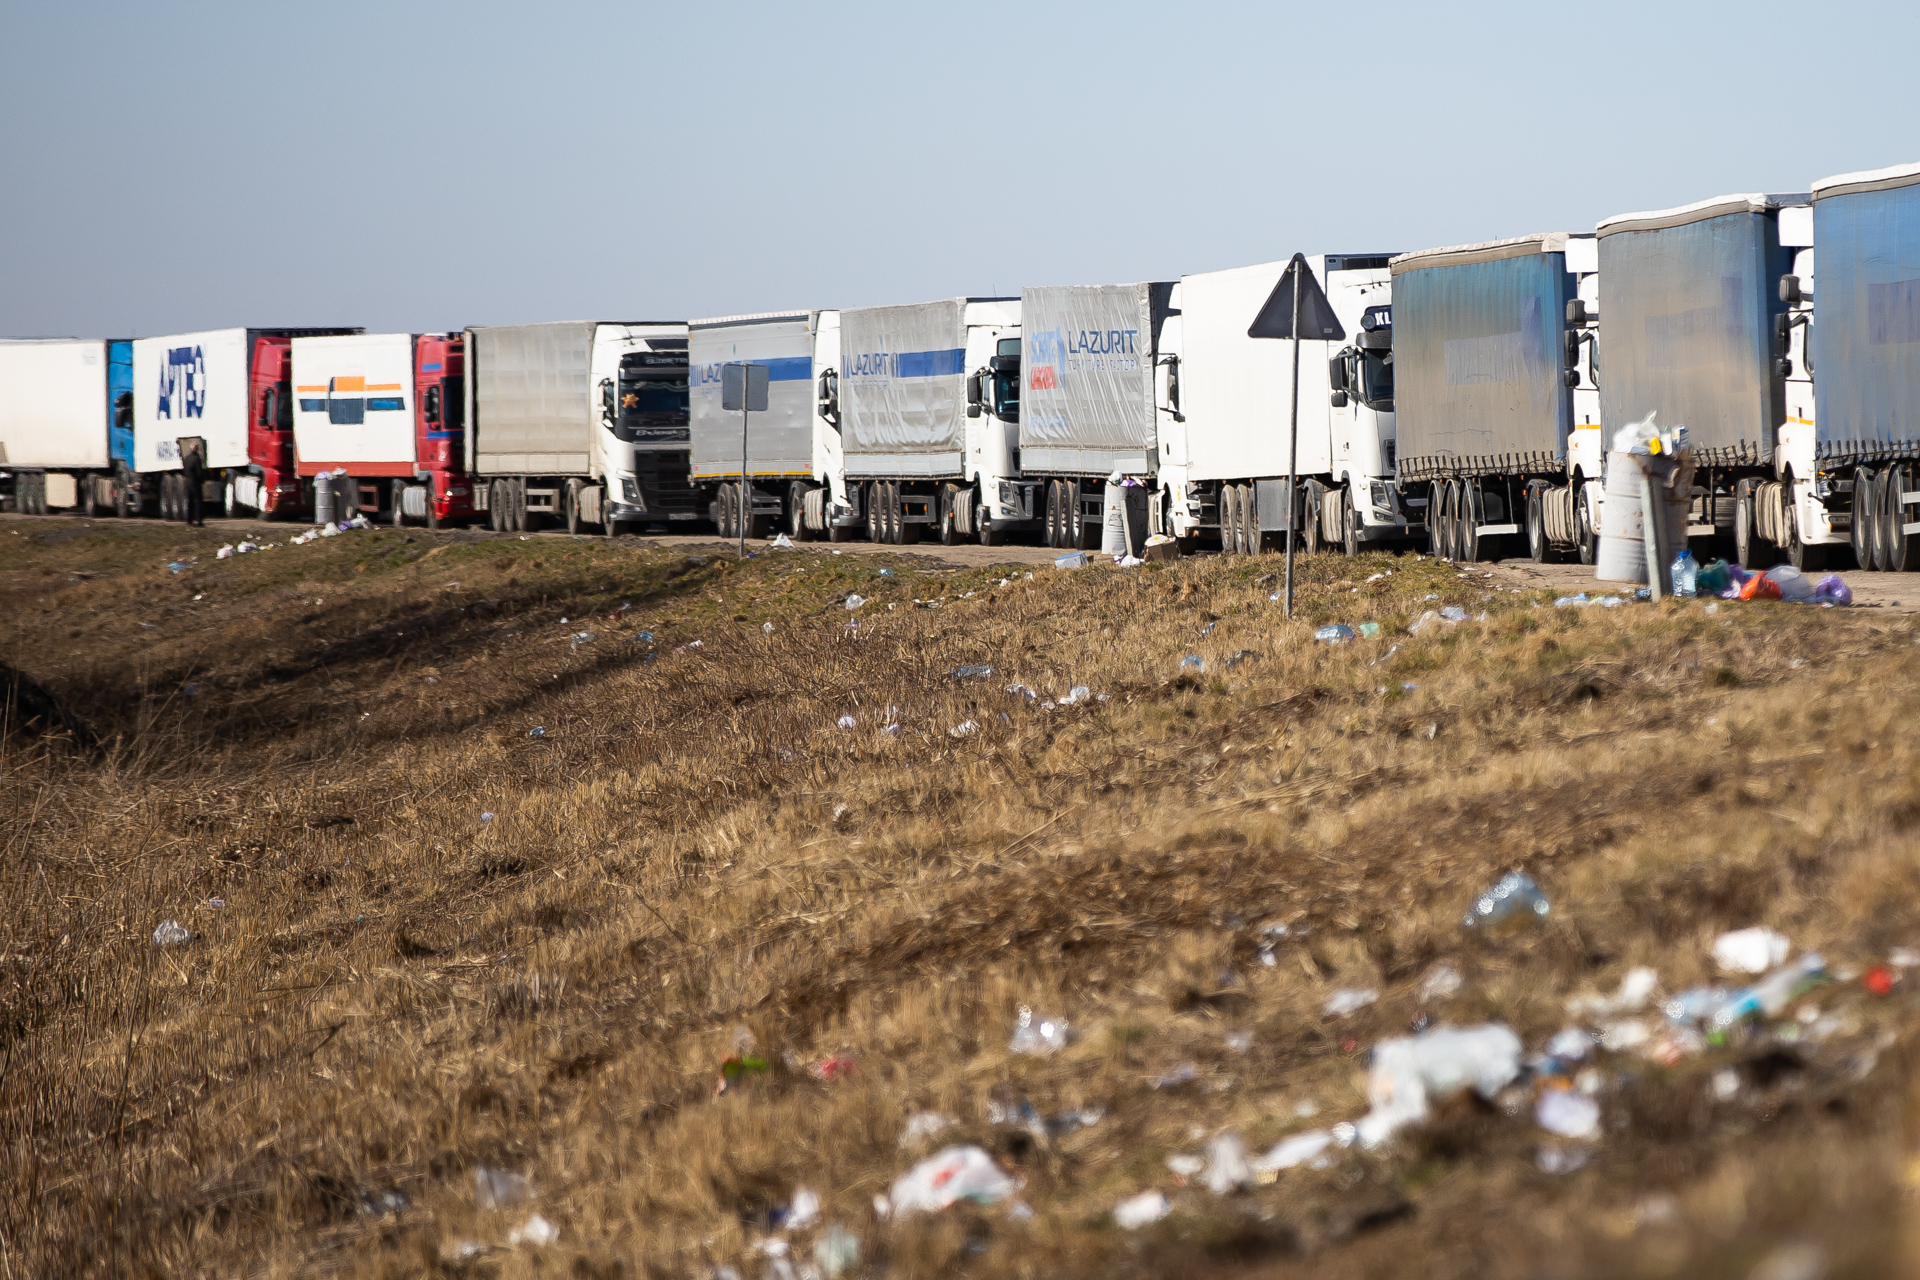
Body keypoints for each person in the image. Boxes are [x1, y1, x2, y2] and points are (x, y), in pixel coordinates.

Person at [178, 437, 206, 526]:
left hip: (187, 482)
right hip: (195, 483)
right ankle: (199, 520)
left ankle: (189, 520)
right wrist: (202, 480)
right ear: (196, 449)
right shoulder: (197, 459)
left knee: (189, 502)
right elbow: (199, 472)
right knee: (198, 502)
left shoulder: (186, 458)